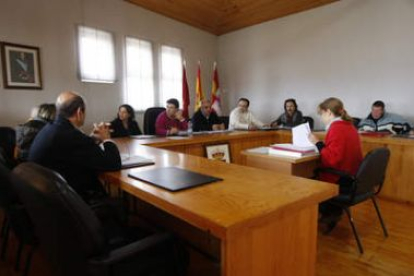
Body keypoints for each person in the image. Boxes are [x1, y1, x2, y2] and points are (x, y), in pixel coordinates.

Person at [28, 91, 121, 203]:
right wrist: (107, 138)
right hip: (70, 200)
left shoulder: (51, 128)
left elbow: (73, 149)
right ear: (79, 112)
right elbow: (113, 163)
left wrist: (91, 139)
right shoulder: (71, 136)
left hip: (43, 196)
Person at [308, 97, 363, 231]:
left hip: (341, 179)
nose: (321, 118)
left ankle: (328, 212)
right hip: (352, 176)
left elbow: (331, 160)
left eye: (321, 114)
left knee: (307, 178)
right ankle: (331, 211)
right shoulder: (349, 125)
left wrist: (317, 143)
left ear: (328, 112)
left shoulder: (336, 128)